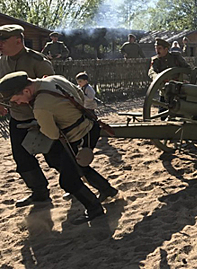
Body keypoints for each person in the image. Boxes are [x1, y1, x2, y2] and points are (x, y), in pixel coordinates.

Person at [0, 71, 118, 224]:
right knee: (60, 161)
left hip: (77, 137)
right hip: (90, 127)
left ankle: (94, 209)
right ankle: (107, 190)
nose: (18, 103)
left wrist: (42, 124)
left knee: (67, 181)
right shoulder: (54, 79)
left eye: (17, 99)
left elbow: (53, 134)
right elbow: (79, 96)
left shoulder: (40, 107)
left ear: (27, 91)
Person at [0, 24, 56, 207]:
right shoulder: (2, 61)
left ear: (18, 40)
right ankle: (39, 192)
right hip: (18, 118)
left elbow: (51, 89)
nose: (0, 44)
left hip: (41, 117)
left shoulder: (37, 61)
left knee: (55, 158)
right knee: (22, 159)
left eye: (3, 41)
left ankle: (76, 185)